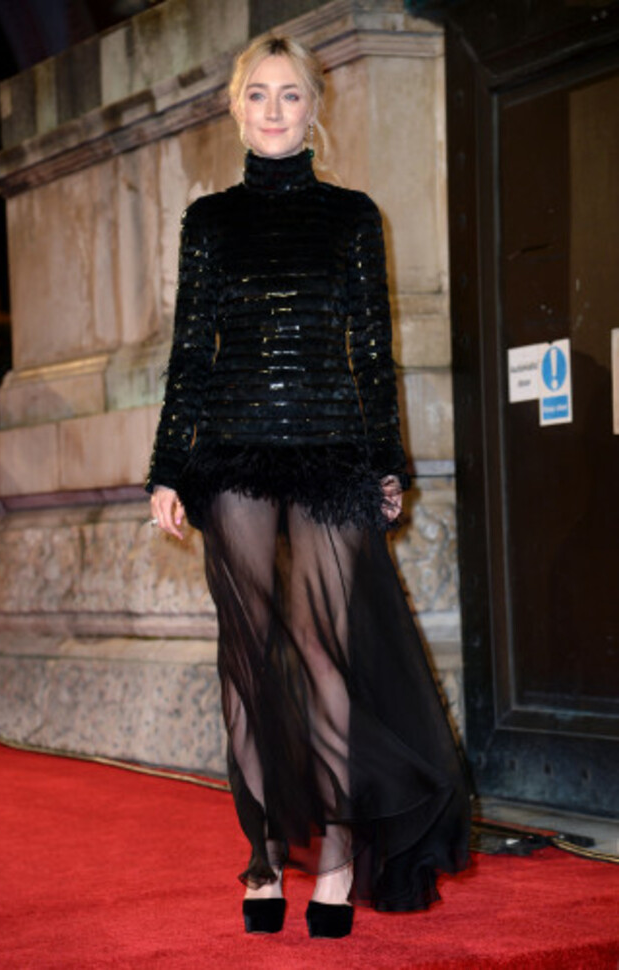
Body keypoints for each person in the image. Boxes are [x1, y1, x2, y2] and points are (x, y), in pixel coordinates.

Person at [147, 34, 470, 939]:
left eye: (292, 95)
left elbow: (373, 352)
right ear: (237, 108)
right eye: (260, 94)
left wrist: (387, 463)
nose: (276, 110)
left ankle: (332, 850)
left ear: (314, 105)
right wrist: (170, 469)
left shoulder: (354, 217)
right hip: (236, 460)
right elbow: (189, 358)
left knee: (325, 653)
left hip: (330, 455)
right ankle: (259, 856)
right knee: (247, 661)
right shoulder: (208, 223)